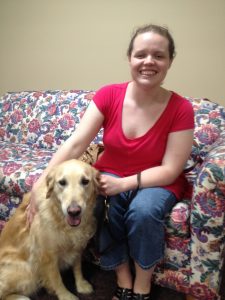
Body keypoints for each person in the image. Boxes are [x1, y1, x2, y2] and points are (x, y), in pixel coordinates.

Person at [28, 24, 194, 300]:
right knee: (96, 206)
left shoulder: (181, 108)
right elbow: (76, 144)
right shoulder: (108, 95)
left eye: (158, 55)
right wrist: (40, 181)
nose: (149, 62)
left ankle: (142, 285)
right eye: (141, 54)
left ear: (169, 61)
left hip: (157, 179)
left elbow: (171, 169)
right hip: (110, 173)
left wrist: (124, 184)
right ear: (130, 58)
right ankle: (122, 279)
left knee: (143, 211)